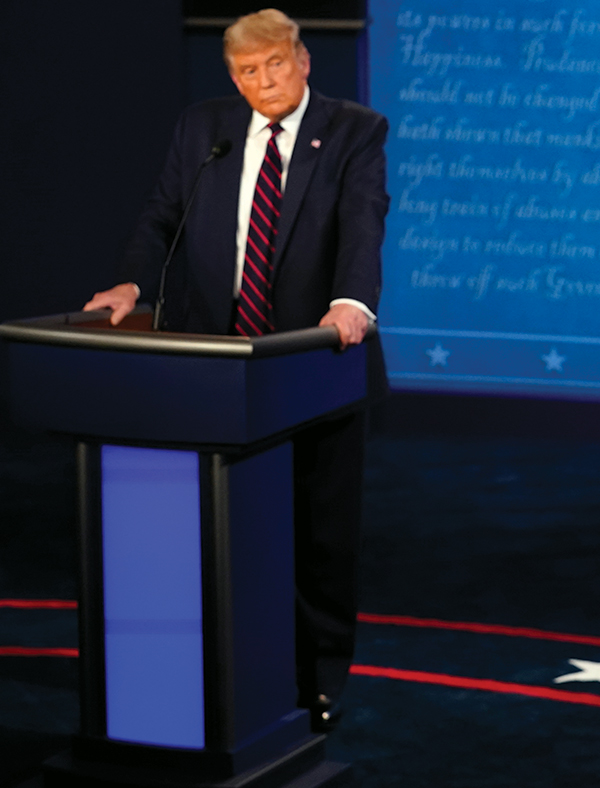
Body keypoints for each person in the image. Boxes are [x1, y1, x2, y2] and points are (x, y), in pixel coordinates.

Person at [83, 8, 388, 733]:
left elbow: (363, 221)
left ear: (303, 60)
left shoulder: (353, 130)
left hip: (315, 366)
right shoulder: (205, 128)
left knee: (317, 534)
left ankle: (318, 677)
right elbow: (161, 214)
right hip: (213, 371)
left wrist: (351, 302)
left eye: (274, 66)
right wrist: (133, 283)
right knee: (215, 532)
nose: (263, 83)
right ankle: (219, 669)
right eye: (247, 72)